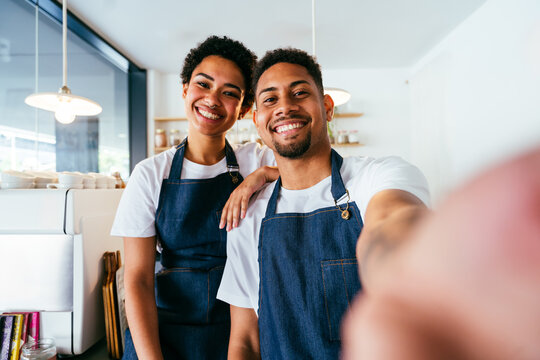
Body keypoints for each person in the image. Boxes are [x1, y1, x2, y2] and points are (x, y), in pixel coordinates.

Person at [216, 48, 430, 359]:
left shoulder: (379, 177)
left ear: (326, 107)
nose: (285, 107)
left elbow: (394, 220)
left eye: (300, 92)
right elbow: (245, 340)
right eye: (270, 99)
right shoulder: (247, 216)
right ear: (257, 120)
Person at [110, 36, 277, 360]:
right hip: (162, 334)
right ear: (185, 89)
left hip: (236, 331)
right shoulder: (149, 174)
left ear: (243, 109)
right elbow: (138, 280)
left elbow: (312, 172)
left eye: (229, 92)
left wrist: (255, 180)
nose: (213, 99)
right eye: (204, 84)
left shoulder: (255, 161)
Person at [342, 147, 540, 360]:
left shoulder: (379, 174)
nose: (298, 110)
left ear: (329, 111)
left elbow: (389, 218)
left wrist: (425, 291)